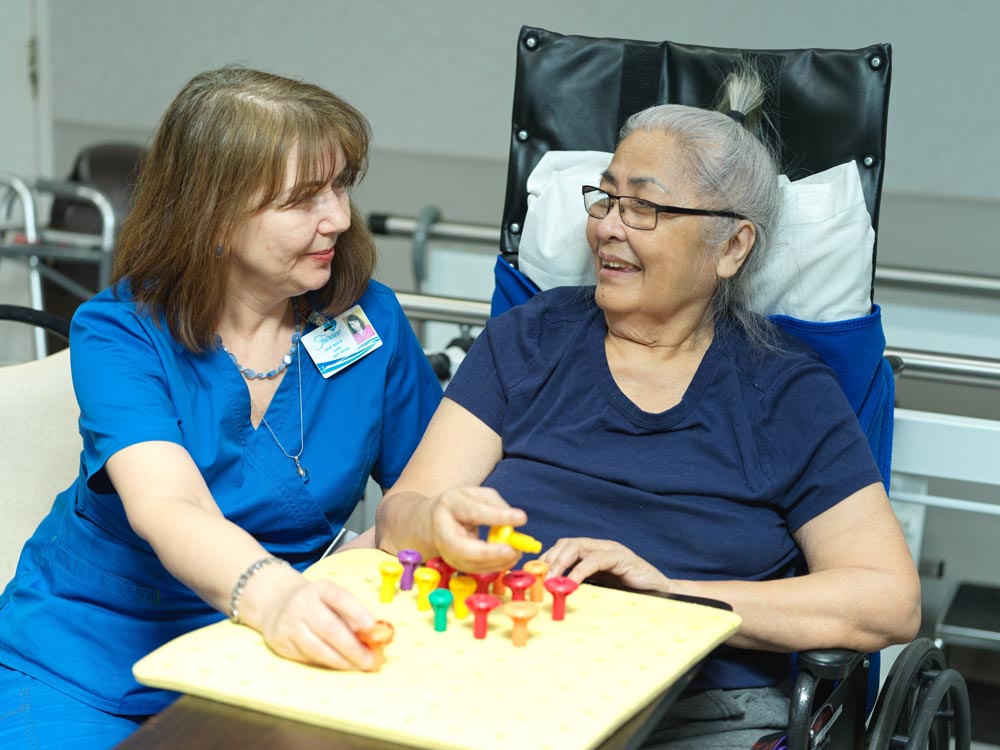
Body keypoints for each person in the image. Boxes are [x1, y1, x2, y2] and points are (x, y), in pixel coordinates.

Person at [375, 68, 920, 749]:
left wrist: (672, 597)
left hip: (695, 713)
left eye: (644, 207)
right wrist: (435, 522)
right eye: (603, 200)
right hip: (496, 671)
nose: (607, 227)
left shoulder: (787, 396)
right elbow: (400, 514)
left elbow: (888, 601)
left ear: (733, 246)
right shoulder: (529, 339)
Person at [0, 66, 441, 748]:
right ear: (213, 215)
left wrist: (416, 533)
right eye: (303, 200)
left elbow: (427, 486)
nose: (339, 219)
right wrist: (277, 594)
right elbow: (169, 505)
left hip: (272, 651)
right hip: (94, 652)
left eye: (341, 186)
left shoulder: (367, 320)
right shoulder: (119, 334)